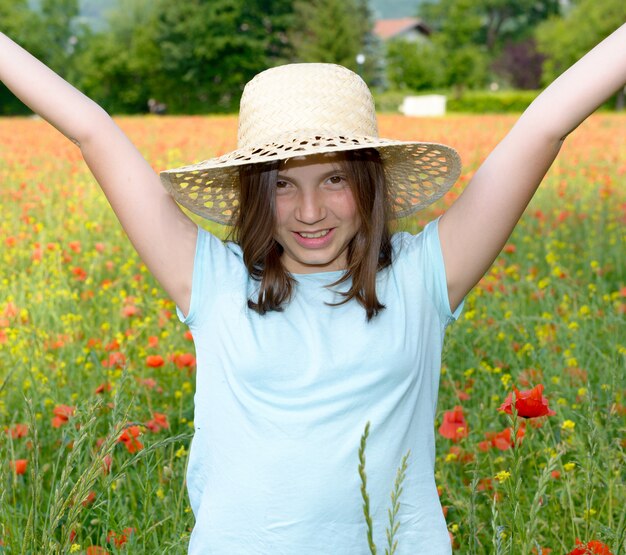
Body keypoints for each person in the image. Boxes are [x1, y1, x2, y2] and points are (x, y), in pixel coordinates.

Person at [0, 23, 624, 554]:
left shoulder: (423, 274)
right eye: (281, 185)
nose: (308, 211)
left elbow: (544, 125)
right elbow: (91, 129)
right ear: (252, 195)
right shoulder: (212, 283)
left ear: (372, 187)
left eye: (333, 180)